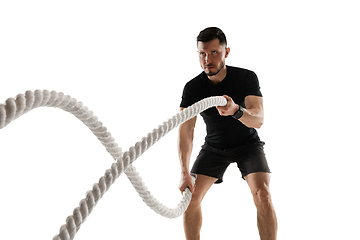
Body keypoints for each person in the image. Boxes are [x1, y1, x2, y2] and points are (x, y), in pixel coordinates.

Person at [178, 27, 278, 240]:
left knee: (264, 195)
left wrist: (236, 111)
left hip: (247, 145)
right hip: (214, 148)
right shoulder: (192, 88)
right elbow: (185, 131)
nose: (208, 59)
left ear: (226, 52)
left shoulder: (246, 77)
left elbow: (259, 119)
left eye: (214, 52)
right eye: (202, 53)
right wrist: (184, 172)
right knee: (190, 199)